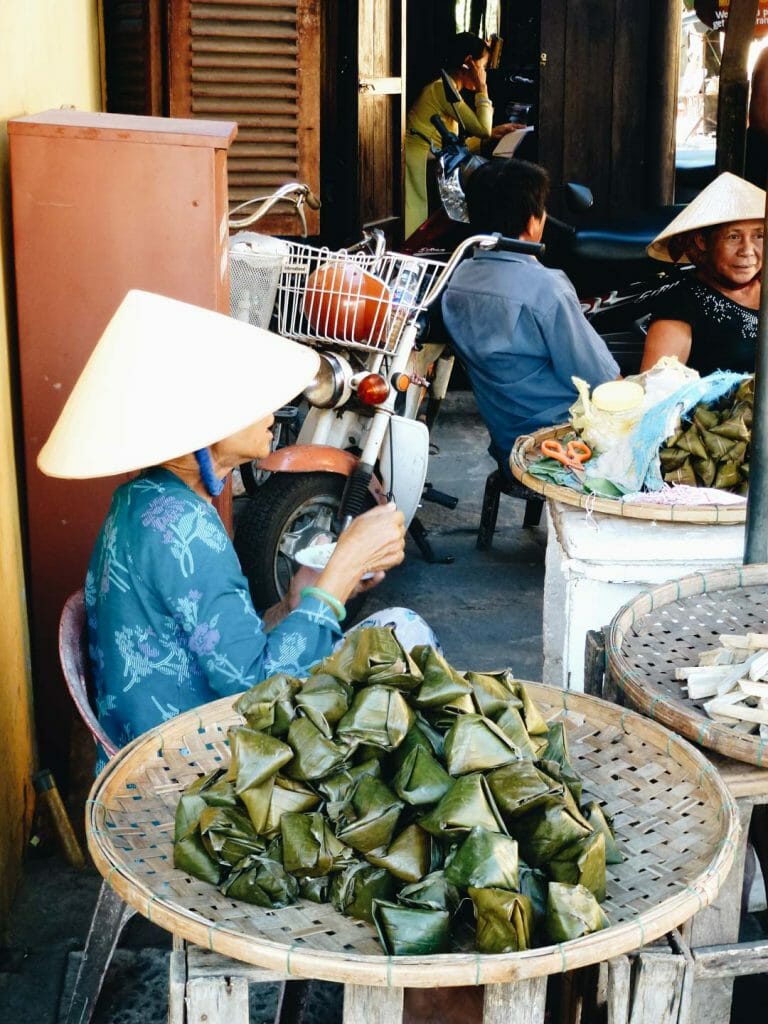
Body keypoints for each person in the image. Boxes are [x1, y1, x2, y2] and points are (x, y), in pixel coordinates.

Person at [37, 290, 435, 756]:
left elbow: (220, 646)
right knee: (406, 635)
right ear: (205, 426)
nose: (272, 413)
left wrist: (293, 603)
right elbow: (257, 689)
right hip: (193, 766)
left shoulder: (141, 500)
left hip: (158, 736)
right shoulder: (184, 528)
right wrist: (338, 577)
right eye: (252, 401)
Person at [441, 157, 620, 477]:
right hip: (558, 447)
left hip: (505, 442)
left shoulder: (459, 278)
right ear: (533, 221)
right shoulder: (546, 288)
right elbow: (601, 379)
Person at [641, 172, 765, 374]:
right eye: (733, 237)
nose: (747, 250)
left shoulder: (763, 285)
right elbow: (657, 391)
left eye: (759, 236)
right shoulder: (680, 305)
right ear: (702, 241)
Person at [404, 31, 518, 238]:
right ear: (469, 63)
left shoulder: (448, 87)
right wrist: (482, 88)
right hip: (419, 160)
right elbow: (480, 128)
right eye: (482, 66)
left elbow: (456, 142)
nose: (483, 73)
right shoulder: (441, 88)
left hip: (430, 160)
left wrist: (491, 134)